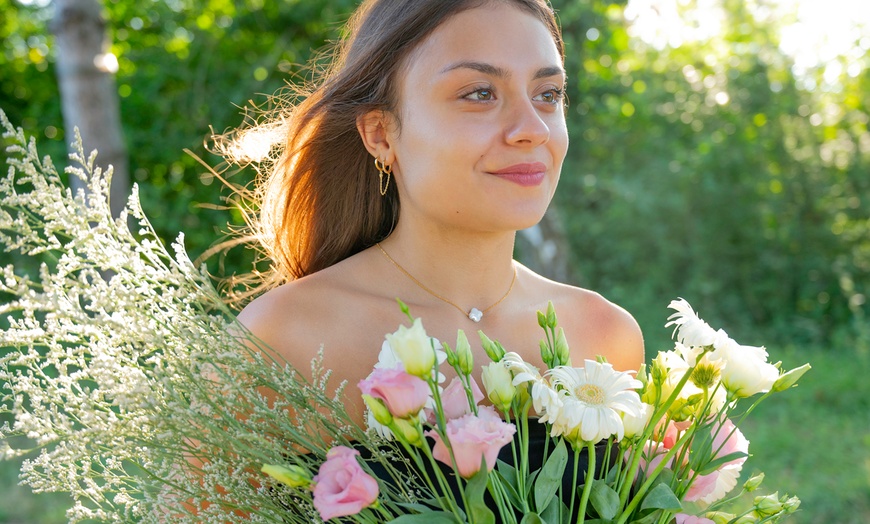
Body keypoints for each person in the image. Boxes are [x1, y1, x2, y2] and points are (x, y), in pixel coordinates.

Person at [236, 0, 644, 429]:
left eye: (548, 95)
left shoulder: (604, 339)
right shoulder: (282, 340)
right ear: (379, 133)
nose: (534, 128)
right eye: (480, 94)